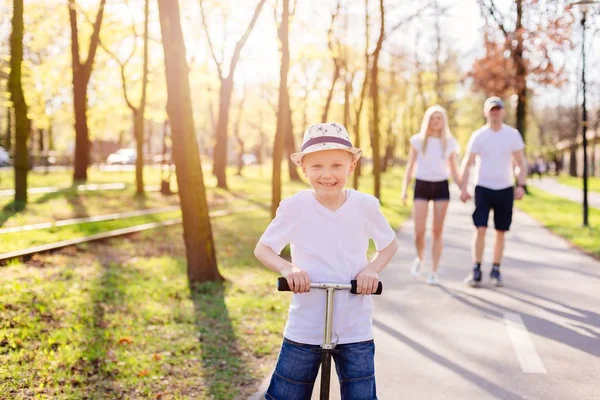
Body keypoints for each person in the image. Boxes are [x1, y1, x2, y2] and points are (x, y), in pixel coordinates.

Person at [254, 122, 399, 399]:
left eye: (336, 165)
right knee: (286, 395)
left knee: (361, 395)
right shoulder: (295, 207)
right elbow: (263, 249)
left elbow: (389, 245)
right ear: (304, 169)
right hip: (305, 324)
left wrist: (371, 269)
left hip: (354, 325)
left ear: (351, 167)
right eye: (317, 166)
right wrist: (288, 268)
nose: (327, 174)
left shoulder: (365, 206)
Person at [459, 97, 528, 287]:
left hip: (505, 188)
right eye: (492, 110)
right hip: (483, 187)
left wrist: (521, 184)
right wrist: (463, 188)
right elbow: (468, 162)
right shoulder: (479, 136)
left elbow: (521, 162)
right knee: (480, 228)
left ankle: (496, 269)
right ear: (486, 112)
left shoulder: (512, 135)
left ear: (503, 112)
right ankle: (476, 269)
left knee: (500, 231)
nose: (495, 113)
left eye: (498, 109)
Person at [400, 105, 461, 285]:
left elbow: (454, 169)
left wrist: (463, 188)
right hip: (422, 185)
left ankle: (433, 271)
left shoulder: (449, 142)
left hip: (441, 186)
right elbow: (410, 166)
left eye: (439, 118)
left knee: (437, 231)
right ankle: (419, 258)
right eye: (432, 118)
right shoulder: (418, 141)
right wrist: (404, 188)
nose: (435, 121)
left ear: (443, 121)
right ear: (428, 120)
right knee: (419, 231)